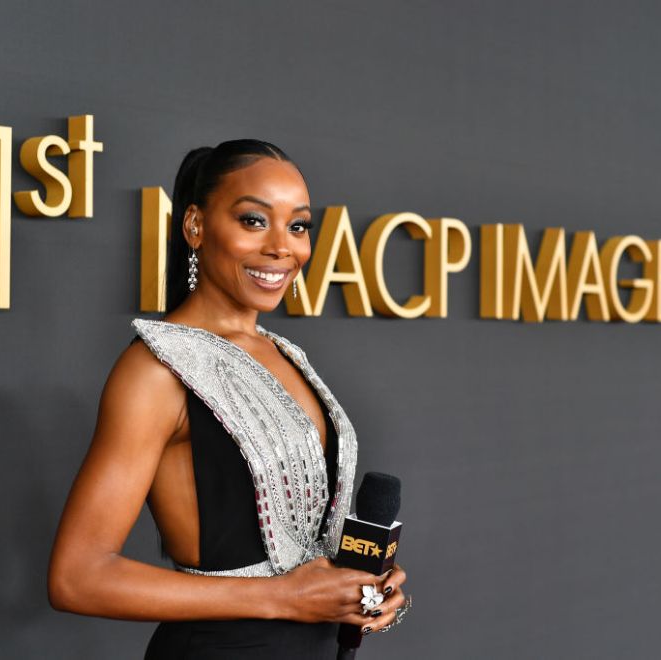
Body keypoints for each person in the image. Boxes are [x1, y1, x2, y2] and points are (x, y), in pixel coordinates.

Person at [47, 139, 410, 658]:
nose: (283, 247)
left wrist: (363, 591)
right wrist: (284, 597)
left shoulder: (285, 353)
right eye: (254, 221)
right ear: (195, 225)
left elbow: (305, 554)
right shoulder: (155, 370)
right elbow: (77, 577)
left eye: (299, 225)